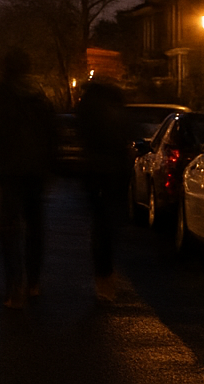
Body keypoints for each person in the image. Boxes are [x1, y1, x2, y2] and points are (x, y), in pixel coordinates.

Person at [0, 47, 57, 309]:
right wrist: (50, 166)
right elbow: (51, 134)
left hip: (9, 170)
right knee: (35, 228)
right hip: (36, 170)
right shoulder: (40, 96)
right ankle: (33, 282)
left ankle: (14, 286)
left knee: (9, 229)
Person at [75, 76, 130, 302]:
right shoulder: (116, 105)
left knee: (100, 223)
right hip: (115, 171)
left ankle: (102, 275)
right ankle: (106, 274)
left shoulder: (86, 106)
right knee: (110, 225)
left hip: (95, 170)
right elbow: (125, 134)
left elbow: (82, 133)